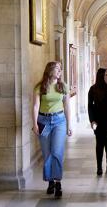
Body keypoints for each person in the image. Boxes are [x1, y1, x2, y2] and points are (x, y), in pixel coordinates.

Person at [32, 61, 73, 198]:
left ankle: (58, 182)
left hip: (59, 121)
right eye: (57, 69)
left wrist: (69, 125)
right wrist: (35, 124)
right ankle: (50, 181)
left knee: (57, 151)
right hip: (43, 121)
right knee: (47, 153)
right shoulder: (40, 87)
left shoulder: (63, 86)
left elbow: (67, 106)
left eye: (60, 69)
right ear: (49, 71)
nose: (60, 71)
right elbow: (35, 106)